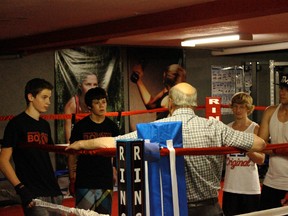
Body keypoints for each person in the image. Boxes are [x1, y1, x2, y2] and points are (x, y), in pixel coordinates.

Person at [66, 82, 266, 216]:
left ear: (170, 103)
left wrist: (79, 144)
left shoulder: (159, 129)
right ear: (195, 103)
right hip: (210, 208)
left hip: (174, 207)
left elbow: (111, 142)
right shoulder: (214, 126)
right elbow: (260, 144)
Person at [0, 78, 63, 216]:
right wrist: (21, 189)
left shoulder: (45, 125)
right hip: (33, 192)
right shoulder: (16, 124)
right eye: (44, 97)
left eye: (49, 98)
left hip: (53, 190)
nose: (48, 102)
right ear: (30, 97)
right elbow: (3, 160)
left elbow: (45, 159)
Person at [68, 87, 119, 214]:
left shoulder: (112, 127)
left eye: (103, 101)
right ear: (89, 106)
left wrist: (114, 169)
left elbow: (117, 151)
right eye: (97, 102)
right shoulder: (80, 126)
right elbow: (71, 153)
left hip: (105, 179)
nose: (102, 105)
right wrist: (71, 176)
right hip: (85, 179)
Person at [222, 92, 265, 216]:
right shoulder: (227, 128)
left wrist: (244, 146)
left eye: (241, 107)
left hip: (250, 187)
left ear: (248, 108)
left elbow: (261, 159)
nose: (238, 110)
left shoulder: (255, 128)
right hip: (230, 186)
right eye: (235, 106)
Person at [258, 74, 288, 210]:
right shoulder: (270, 112)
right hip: (271, 181)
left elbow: (266, 146)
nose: (282, 92)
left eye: (287, 89)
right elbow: (260, 144)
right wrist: (280, 150)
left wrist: (272, 149)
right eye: (281, 88)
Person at [64, 72, 98, 143]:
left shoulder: (99, 104)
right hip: (78, 145)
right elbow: (68, 140)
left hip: (95, 143)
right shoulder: (73, 104)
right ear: (80, 86)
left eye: (95, 85)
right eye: (88, 84)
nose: (92, 88)